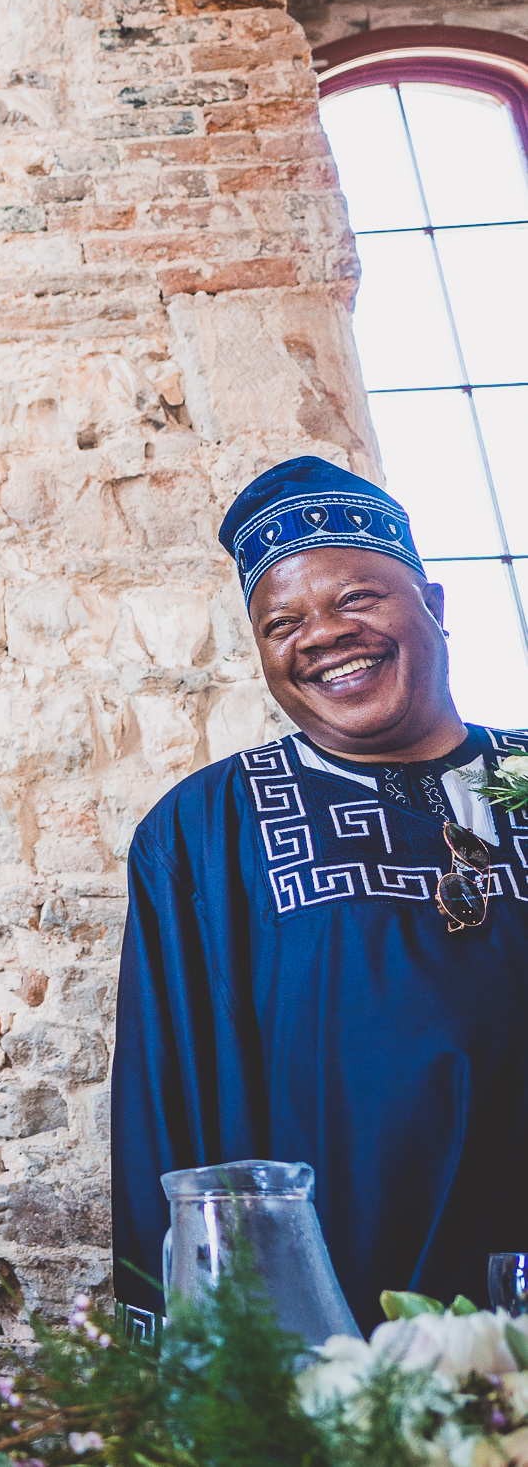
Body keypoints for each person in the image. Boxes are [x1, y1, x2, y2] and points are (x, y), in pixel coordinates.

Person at [112, 456, 528, 1328]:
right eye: (282, 622)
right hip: (354, 1343)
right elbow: (172, 1109)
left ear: (436, 608)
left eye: (356, 599)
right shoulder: (203, 832)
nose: (323, 635)